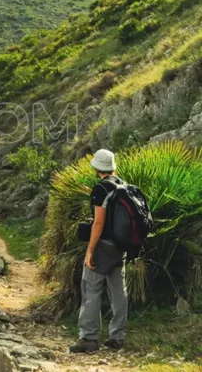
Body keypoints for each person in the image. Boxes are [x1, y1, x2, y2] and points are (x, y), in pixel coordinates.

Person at [70, 149, 128, 354]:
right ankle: (118, 337)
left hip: (103, 246)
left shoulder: (101, 188)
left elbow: (98, 223)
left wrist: (89, 251)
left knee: (91, 290)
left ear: (97, 167)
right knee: (118, 291)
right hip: (121, 247)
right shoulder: (123, 185)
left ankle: (88, 338)